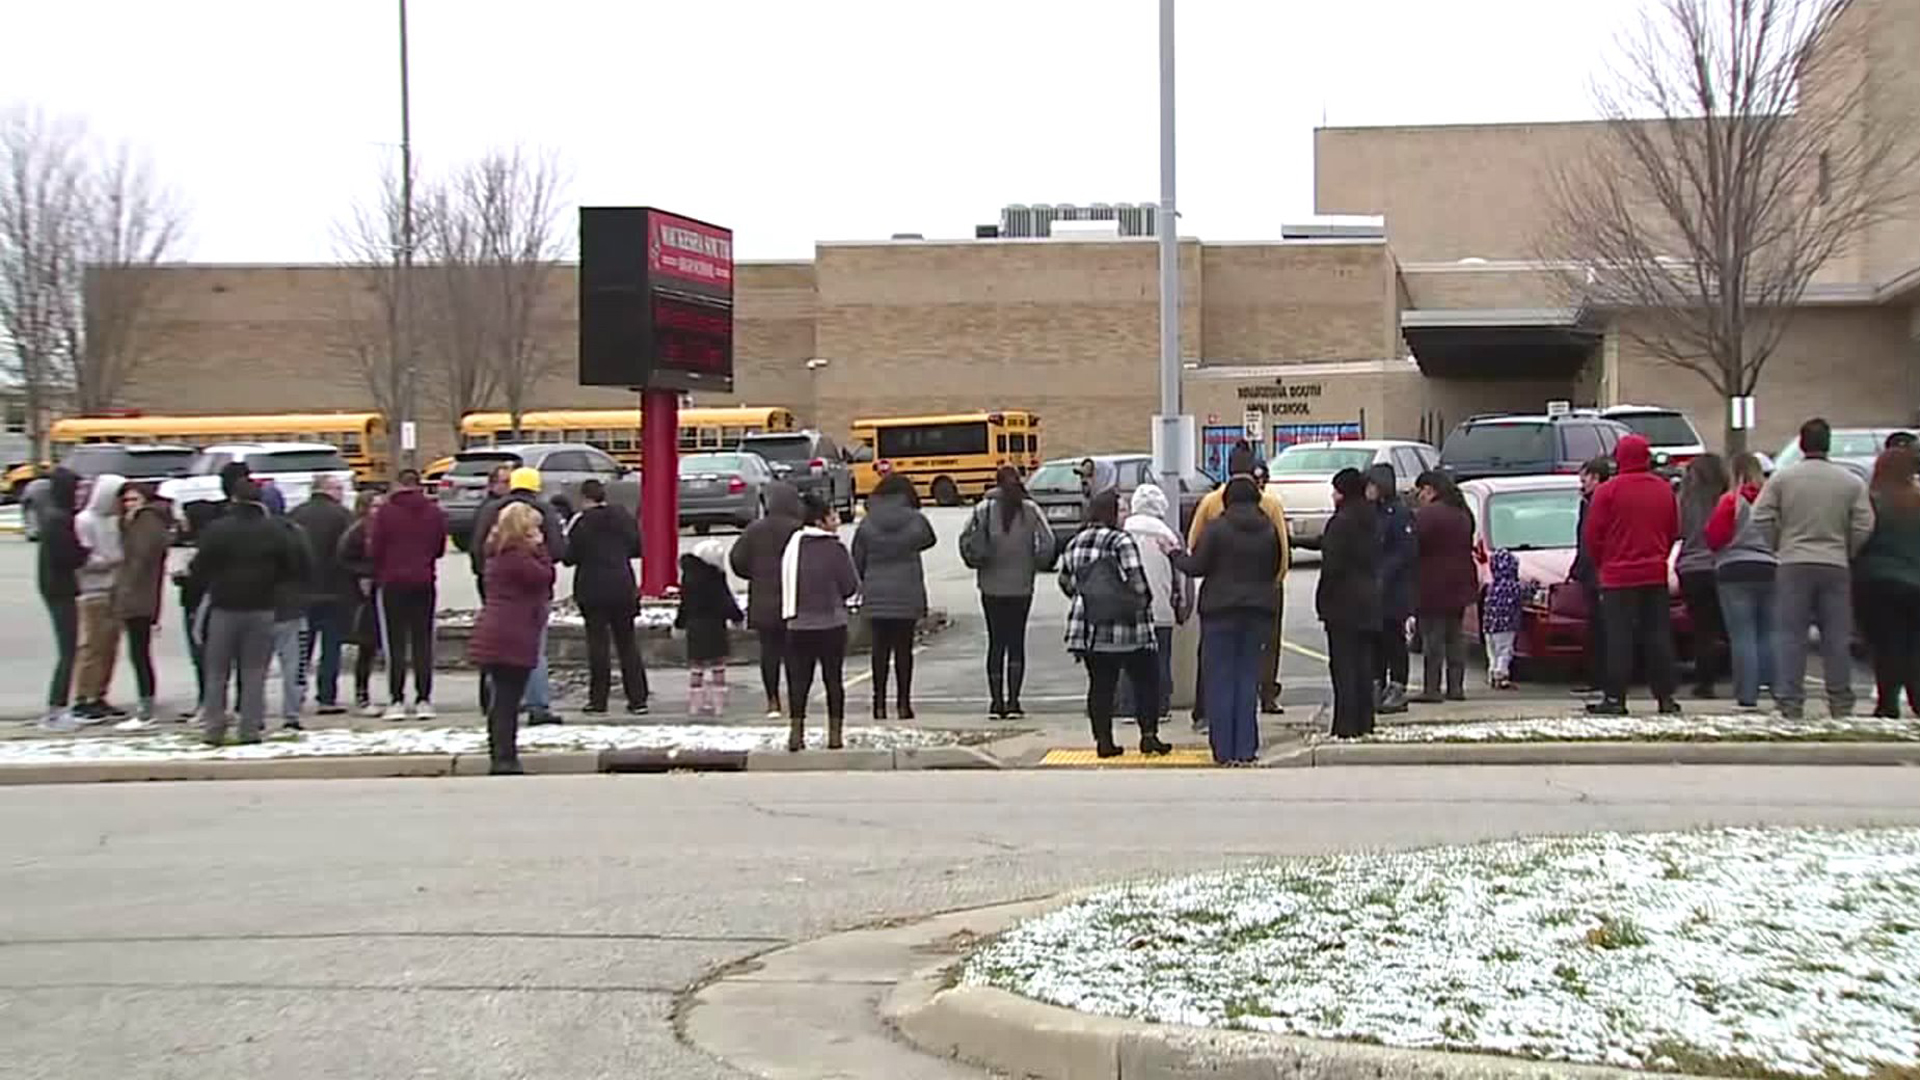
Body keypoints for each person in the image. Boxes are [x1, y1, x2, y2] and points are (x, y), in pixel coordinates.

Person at [1752, 419, 1875, 719]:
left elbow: (1760, 516)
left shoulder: (1783, 479)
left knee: (1791, 634)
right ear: (1828, 444)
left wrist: (1778, 544)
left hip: (1793, 561)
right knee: (1836, 635)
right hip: (1834, 562)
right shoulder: (1849, 482)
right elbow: (1864, 522)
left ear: (1803, 444)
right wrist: (1848, 549)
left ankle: (1791, 701)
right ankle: (1840, 702)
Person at [1174, 478, 1280, 764]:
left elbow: (1197, 566)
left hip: (1220, 612)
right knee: (1247, 679)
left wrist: (1174, 555)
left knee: (1220, 680)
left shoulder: (1217, 529)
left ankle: (1224, 749)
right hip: (1257, 611)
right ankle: (1246, 748)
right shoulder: (1268, 529)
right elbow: (1275, 566)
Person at [1059, 490, 1169, 759]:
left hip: (1090, 627)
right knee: (1146, 680)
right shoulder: (1121, 541)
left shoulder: (1076, 542)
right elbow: (1137, 580)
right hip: (1128, 626)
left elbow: (1065, 581)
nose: (1126, 515)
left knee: (1100, 685)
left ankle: (1104, 741)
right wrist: (1143, 601)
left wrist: (1087, 596)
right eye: (1121, 510)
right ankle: (1148, 735)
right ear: (1110, 513)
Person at [190, 479, 300, 745]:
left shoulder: (218, 529)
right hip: (262, 607)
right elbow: (293, 565)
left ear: (234, 500)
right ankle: (250, 729)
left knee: (217, 671)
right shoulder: (274, 530)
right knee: (253, 672)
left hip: (224, 607)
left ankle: (214, 728)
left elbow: (200, 566)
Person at [1187, 443, 1291, 716]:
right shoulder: (1269, 503)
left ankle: (1205, 707)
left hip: (1219, 592)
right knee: (1266, 646)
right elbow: (1282, 550)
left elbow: (1194, 542)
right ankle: (1266, 694)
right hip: (1263, 587)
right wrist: (1275, 581)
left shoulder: (1211, 502)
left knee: (1212, 653)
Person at [1582, 434, 1683, 716]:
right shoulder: (1663, 489)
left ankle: (1615, 698)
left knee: (1618, 638)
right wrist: (1659, 554)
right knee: (1658, 636)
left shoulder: (1607, 492)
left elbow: (1593, 535)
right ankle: (1665, 697)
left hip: (1617, 576)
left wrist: (1605, 563)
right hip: (1654, 572)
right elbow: (1673, 528)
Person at [472, 468, 567, 724]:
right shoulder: (543, 512)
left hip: (495, 591)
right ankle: (538, 705)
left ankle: (493, 702)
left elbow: (477, 547)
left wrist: (485, 575)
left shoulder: (491, 510)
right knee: (534, 648)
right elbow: (559, 550)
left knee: (496, 647)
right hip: (534, 594)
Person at [467, 503, 555, 775]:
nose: (538, 533)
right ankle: (504, 758)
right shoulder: (517, 557)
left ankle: (503, 754)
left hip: (500, 630)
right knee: (507, 701)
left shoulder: (499, 552)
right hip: (510, 633)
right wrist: (541, 550)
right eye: (533, 529)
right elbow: (545, 577)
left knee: (503, 700)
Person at [960, 465, 1052, 719]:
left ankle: (996, 701)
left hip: (991, 584)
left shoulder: (983, 509)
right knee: (1016, 641)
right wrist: (1034, 562)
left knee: (995, 642)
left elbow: (966, 539)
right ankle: (1014, 701)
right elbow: (1048, 542)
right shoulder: (1030, 510)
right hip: (1022, 585)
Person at [852, 472, 936, 720]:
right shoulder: (915, 519)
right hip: (906, 592)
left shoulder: (867, 523)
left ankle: (878, 703)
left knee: (879, 650)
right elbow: (929, 540)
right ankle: (903, 704)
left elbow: (856, 560)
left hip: (876, 594)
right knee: (903, 651)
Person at [367, 468, 448, 721]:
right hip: (424, 581)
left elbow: (375, 549)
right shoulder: (434, 512)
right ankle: (424, 698)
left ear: (397, 484)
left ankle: (397, 699)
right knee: (423, 642)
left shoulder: (386, 512)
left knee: (395, 644)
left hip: (392, 582)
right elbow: (439, 548)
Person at [782, 492, 860, 751]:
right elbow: (850, 586)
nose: (837, 521)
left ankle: (796, 732)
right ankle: (835, 734)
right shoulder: (834, 548)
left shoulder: (793, 546)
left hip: (798, 625)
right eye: (833, 516)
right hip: (831, 624)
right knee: (833, 681)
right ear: (820, 521)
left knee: (799, 682)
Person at [563, 478, 648, 715]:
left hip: (592, 589)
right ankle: (638, 699)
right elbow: (638, 547)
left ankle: (598, 700)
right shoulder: (622, 517)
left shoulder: (581, 522)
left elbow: (569, 556)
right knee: (628, 644)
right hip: (622, 585)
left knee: (598, 645)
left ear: (584, 498)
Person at [1705, 452, 1778, 711]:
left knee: (1742, 634)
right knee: (1768, 632)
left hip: (1734, 569)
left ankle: (1747, 693)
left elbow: (1714, 536)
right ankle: (1774, 687)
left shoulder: (1730, 501)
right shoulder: (1772, 502)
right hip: (1770, 567)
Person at [1852, 448, 1920, 718]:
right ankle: (1917, 697)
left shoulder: (1871, 502)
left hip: (1874, 581)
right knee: (1913, 643)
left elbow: (1858, 535)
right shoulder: (1916, 502)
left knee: (1885, 645)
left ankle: (1887, 702)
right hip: (1915, 581)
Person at [731, 481, 803, 719]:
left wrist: (755, 573)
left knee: (769, 653)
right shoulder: (799, 530)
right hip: (795, 601)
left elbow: (737, 561)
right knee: (795, 654)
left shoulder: (755, 530)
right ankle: (796, 699)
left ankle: (772, 700)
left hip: (762, 599)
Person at [1320, 468, 1381, 739]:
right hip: (1369, 600)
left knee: (1343, 666)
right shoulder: (1372, 518)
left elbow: (1332, 567)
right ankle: (1365, 720)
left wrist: (1323, 600)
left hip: (1343, 603)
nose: (1333, 495)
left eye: (1336, 490)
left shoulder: (1340, 523)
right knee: (1364, 665)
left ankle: (1345, 723)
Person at [289, 474, 355, 716]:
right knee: (331, 648)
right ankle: (326, 697)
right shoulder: (342, 516)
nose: (341, 493)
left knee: (300, 648)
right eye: (338, 488)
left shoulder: (295, 514)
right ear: (325, 489)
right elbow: (351, 550)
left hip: (302, 593)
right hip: (335, 592)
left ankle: (295, 693)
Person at [1123, 482, 1188, 721]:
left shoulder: (1123, 531)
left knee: (1130, 659)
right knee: (1161, 659)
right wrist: (1180, 604)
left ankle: (1131, 706)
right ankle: (1160, 706)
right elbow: (1179, 576)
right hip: (1161, 607)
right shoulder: (1167, 534)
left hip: (1129, 608)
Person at [1411, 470, 1476, 704]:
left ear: (1430, 489)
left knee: (1433, 639)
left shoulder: (1427, 515)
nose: (1419, 496)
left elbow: (1414, 545)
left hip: (1432, 583)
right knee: (1455, 636)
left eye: (1421, 491)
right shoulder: (1463, 512)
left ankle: (1432, 688)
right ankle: (1456, 686)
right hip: (1460, 582)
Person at [113, 484, 173, 724]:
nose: (129, 504)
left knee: (139, 652)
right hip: (140, 595)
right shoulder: (138, 522)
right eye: (126, 500)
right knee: (138, 652)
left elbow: (139, 561)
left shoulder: (145, 522)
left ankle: (146, 703)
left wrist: (124, 594)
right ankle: (145, 700)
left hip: (139, 596)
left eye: (134, 499)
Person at [71, 473, 128, 721]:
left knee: (110, 647)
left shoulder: (116, 522)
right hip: (92, 591)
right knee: (92, 647)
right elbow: (83, 559)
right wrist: (110, 562)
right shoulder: (84, 521)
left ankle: (100, 694)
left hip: (115, 590)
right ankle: (84, 697)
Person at [1675, 454, 1732, 698]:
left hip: (1691, 567)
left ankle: (1704, 681)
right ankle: (1745, 676)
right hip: (1722, 564)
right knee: (1732, 627)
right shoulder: (1725, 499)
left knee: (1702, 629)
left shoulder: (1683, 501)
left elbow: (1677, 530)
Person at [36, 468, 84, 730]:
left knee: (69, 650)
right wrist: (85, 552)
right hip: (60, 590)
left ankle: (59, 708)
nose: (78, 495)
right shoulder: (59, 520)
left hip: (56, 588)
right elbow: (68, 557)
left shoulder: (55, 517)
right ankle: (56, 710)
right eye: (75, 490)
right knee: (67, 651)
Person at [676, 538, 744, 716]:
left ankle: (695, 704)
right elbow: (725, 600)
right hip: (715, 626)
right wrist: (737, 617)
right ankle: (719, 704)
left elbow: (684, 604)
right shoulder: (715, 576)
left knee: (696, 666)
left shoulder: (688, 575)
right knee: (718, 665)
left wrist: (679, 624)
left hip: (695, 627)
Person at [1370, 462, 1417, 713]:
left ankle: (1398, 686)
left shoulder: (1399, 513)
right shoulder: (1372, 512)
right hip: (1373, 591)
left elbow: (1406, 551)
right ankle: (1376, 683)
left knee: (1394, 640)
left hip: (1394, 589)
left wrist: (1383, 572)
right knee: (1375, 639)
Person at [1569, 456, 1617, 694]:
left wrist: (1588, 566)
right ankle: (1597, 678)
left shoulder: (1601, 501)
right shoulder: (1587, 502)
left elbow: (1593, 540)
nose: (1582, 482)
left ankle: (1604, 679)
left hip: (1600, 573)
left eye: (1585, 477)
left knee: (1603, 629)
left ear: (1596, 477)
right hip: (1591, 572)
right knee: (1596, 628)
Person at [337, 491, 385, 716]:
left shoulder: (386, 530)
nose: (378, 511)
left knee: (379, 646)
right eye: (374, 506)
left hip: (384, 591)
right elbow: (344, 559)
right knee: (366, 646)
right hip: (363, 596)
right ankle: (361, 693)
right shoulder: (357, 532)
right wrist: (366, 574)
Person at [268, 508, 315, 730]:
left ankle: (253, 711)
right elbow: (308, 565)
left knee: (254, 666)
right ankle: (292, 713)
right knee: (294, 663)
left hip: (258, 606)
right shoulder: (295, 533)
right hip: (291, 606)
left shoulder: (254, 532)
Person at [1481, 549, 1534, 690]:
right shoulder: (1512, 586)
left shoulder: (1491, 587)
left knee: (1492, 652)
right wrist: (1533, 586)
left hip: (1489, 626)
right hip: (1505, 625)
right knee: (1505, 651)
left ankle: (1492, 673)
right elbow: (1526, 593)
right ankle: (1501, 676)